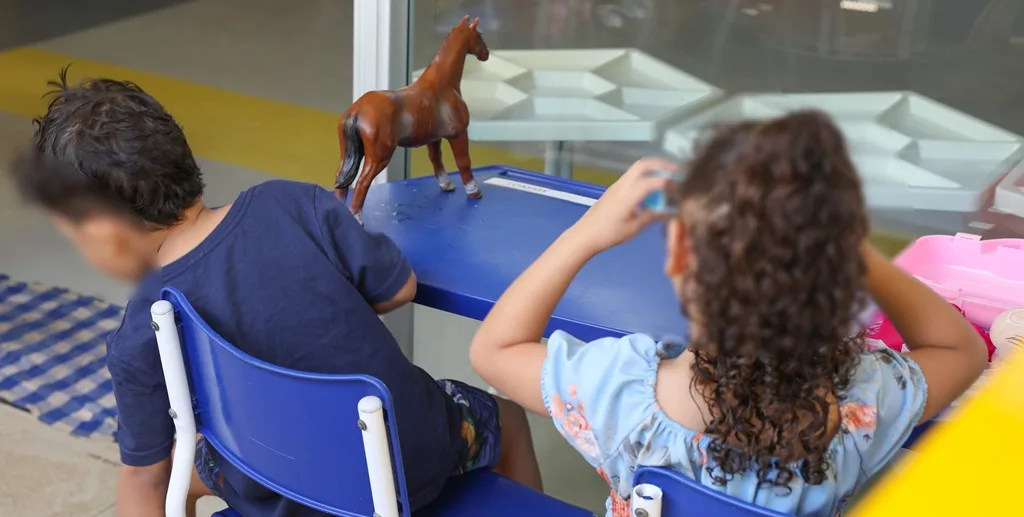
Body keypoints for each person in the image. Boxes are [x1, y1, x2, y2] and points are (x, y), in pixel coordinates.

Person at [9, 70, 542, 517]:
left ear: (101, 229)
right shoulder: (290, 205)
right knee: (506, 417)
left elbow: (146, 481)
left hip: (269, 488)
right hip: (407, 462)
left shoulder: (144, 327)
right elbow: (399, 287)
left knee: (183, 460)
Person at [468, 111, 988, 516]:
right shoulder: (859, 409)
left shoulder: (619, 397)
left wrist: (585, 233)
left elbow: (495, 350)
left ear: (677, 257)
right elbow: (957, 348)